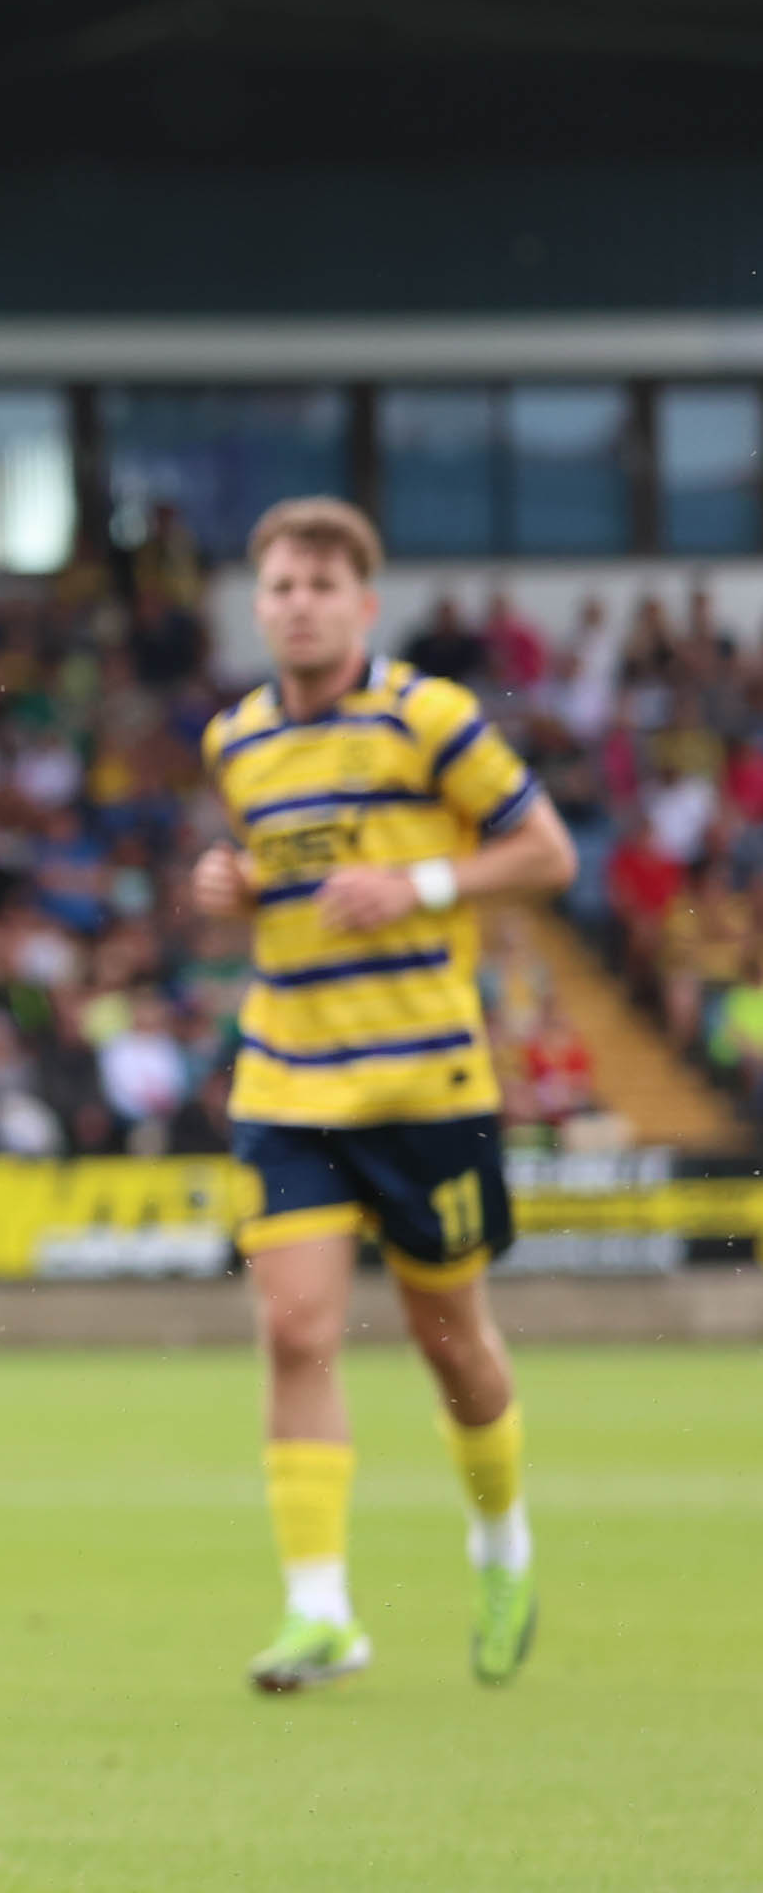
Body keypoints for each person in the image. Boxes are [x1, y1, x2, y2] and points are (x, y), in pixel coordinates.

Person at [184, 497, 574, 1695]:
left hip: (423, 1078)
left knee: (448, 1341)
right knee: (295, 1329)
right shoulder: (235, 741)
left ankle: (499, 1541)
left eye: (318, 585)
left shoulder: (430, 718)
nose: (295, 603)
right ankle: (319, 1612)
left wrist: (413, 882)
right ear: (257, 607)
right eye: (278, 586)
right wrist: (237, 885)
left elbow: (545, 852)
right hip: (287, 1075)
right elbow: (290, 871)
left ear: (362, 603)